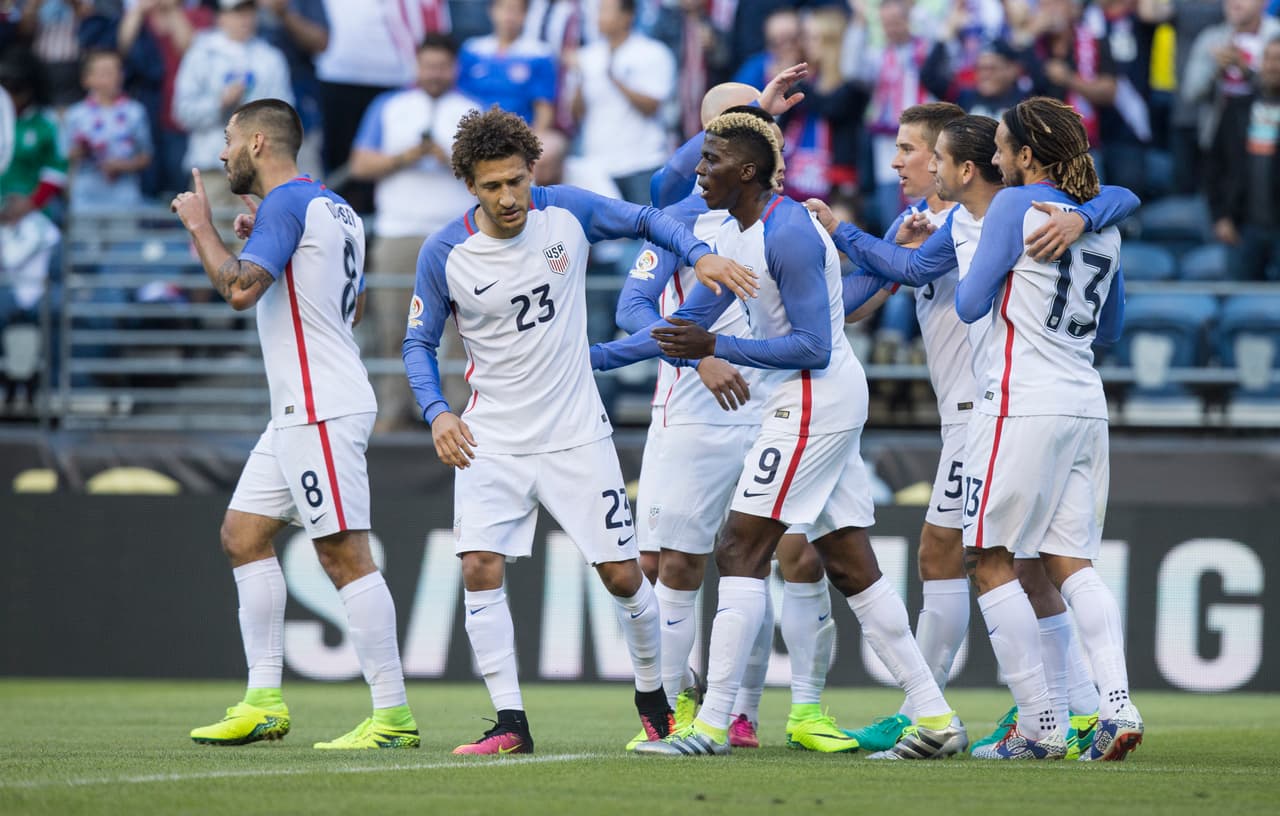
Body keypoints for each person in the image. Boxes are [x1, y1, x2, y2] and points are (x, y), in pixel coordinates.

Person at [593, 109, 967, 760]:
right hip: (807, 397)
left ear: (746, 171)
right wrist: (591, 358)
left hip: (813, 397)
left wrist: (720, 346)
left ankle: (711, 726)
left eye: (711, 161)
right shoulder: (739, 236)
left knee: (741, 548)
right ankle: (935, 716)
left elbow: (814, 345)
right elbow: (683, 327)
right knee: (849, 560)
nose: (699, 171)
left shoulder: (788, 231)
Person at [401, 106, 753, 755]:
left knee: (623, 577)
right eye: (492, 186)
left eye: (517, 181)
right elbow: (417, 342)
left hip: (575, 433)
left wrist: (699, 255)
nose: (509, 197)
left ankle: (655, 700)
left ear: (532, 171)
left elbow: (648, 217)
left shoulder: (566, 211)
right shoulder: (444, 251)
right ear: (469, 186)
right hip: (490, 436)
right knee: (478, 566)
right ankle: (510, 723)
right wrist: (437, 411)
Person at [623, 80, 863, 754]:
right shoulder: (678, 216)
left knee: (794, 555)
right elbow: (632, 308)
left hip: (781, 403)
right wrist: (699, 358)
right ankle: (674, 712)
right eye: (723, 128)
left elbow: (818, 318)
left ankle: (772, 711)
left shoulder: (785, 218)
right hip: (695, 412)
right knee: (677, 563)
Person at [171, 98, 419, 750]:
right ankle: (263, 701)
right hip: (301, 408)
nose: (222, 153)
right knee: (243, 534)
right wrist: (263, 239)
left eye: (229, 140)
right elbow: (351, 307)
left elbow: (239, 289)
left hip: (319, 405)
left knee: (343, 554)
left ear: (258, 142)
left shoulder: (286, 205)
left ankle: (392, 716)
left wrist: (201, 227)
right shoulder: (336, 207)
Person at [349, 34, 478, 431]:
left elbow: (489, 171)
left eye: (442, 66)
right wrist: (406, 157)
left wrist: (447, 158)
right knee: (395, 325)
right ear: (417, 65)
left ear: (454, 68)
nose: (434, 73)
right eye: (428, 65)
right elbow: (359, 165)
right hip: (398, 230)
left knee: (463, 329)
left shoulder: (471, 109)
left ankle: (462, 412)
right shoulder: (389, 106)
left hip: (459, 234)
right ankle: (395, 409)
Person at [173, 0, 293, 214]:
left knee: (256, 232)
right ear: (221, 16)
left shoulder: (271, 57)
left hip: (256, 169)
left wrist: (253, 116)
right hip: (210, 164)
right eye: (237, 12)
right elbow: (182, 112)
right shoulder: (201, 53)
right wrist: (219, 103)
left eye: (249, 11)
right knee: (208, 231)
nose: (245, 19)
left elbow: (284, 116)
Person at [570, 0, 676, 203]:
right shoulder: (587, 57)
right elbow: (576, 115)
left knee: (646, 221)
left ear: (627, 16)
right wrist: (578, 81)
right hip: (597, 165)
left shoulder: (653, 53)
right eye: (599, 11)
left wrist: (615, 79)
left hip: (642, 162)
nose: (599, 18)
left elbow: (652, 107)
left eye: (606, 11)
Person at [1207, 34, 1280, 280]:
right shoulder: (1237, 108)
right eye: (1268, 58)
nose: (1272, 65)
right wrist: (1220, 216)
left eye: (1278, 59)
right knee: (1239, 295)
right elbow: (1214, 165)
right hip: (1242, 229)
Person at [63, 49, 152, 213]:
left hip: (123, 195)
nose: (113, 78)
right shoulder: (76, 114)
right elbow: (65, 153)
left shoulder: (135, 112)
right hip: (87, 194)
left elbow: (146, 156)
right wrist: (82, 150)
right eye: (104, 72)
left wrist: (122, 165)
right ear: (87, 79)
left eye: (117, 71)